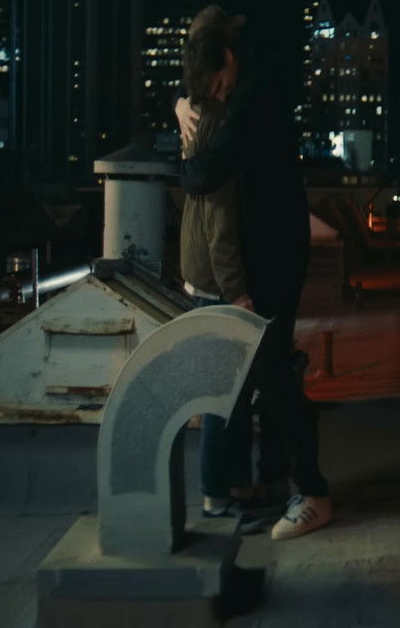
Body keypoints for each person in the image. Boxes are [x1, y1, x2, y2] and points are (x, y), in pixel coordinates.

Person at [176, 5, 331, 540]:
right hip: (275, 250)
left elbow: (205, 174)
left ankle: (313, 493)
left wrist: (181, 158)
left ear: (230, 59)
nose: (215, 94)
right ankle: (298, 486)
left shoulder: (252, 98)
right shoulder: (247, 82)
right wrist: (180, 104)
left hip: (275, 257)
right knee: (272, 377)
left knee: (276, 380)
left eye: (217, 82)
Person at [175, 51, 254, 519]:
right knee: (225, 394)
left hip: (197, 272)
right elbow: (220, 228)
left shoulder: (196, 116)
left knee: (229, 390)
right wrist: (237, 290)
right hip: (212, 280)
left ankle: (234, 488)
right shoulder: (217, 130)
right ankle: (217, 493)